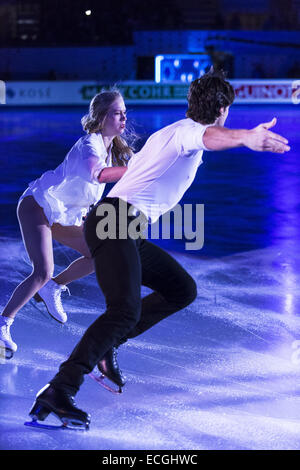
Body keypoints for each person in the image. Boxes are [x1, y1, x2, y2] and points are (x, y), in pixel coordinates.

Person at [27, 69, 290, 430]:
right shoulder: (187, 133)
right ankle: (59, 390)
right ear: (223, 109)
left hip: (124, 226)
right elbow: (209, 137)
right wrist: (246, 137)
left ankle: (106, 348)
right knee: (124, 312)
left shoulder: (171, 132)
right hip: (114, 221)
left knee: (181, 289)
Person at [0, 89, 132, 361]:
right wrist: (137, 169)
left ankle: (53, 287)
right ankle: (3, 323)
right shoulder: (89, 146)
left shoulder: (111, 151)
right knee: (42, 271)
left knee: (100, 254)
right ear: (102, 117)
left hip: (62, 213)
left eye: (124, 114)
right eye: (117, 113)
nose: (123, 119)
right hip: (38, 204)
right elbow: (99, 174)